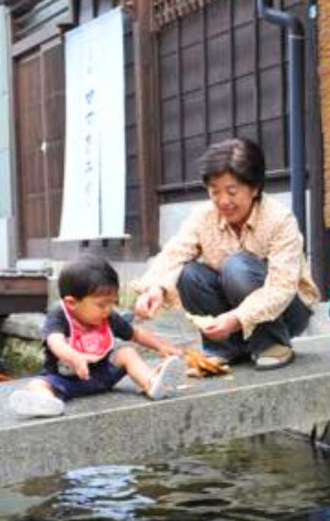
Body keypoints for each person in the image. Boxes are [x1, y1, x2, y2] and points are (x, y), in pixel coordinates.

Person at [131, 137, 318, 369]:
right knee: (188, 274)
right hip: (232, 309)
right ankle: (227, 348)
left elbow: (282, 287)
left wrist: (236, 318)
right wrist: (154, 289)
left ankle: (271, 344)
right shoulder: (203, 216)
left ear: (255, 188)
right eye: (214, 192)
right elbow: (174, 253)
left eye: (232, 191)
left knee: (236, 267)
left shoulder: (279, 219)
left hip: (289, 310)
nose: (223, 201)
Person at [9, 254, 185, 419]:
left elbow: (135, 334)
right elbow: (55, 341)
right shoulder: (59, 315)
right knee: (38, 384)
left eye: (112, 303)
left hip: (104, 376)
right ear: (72, 303)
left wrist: (161, 346)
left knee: (127, 353)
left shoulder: (107, 316)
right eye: (101, 305)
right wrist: (74, 356)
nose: (108, 310)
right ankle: (46, 403)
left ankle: (152, 383)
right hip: (66, 381)